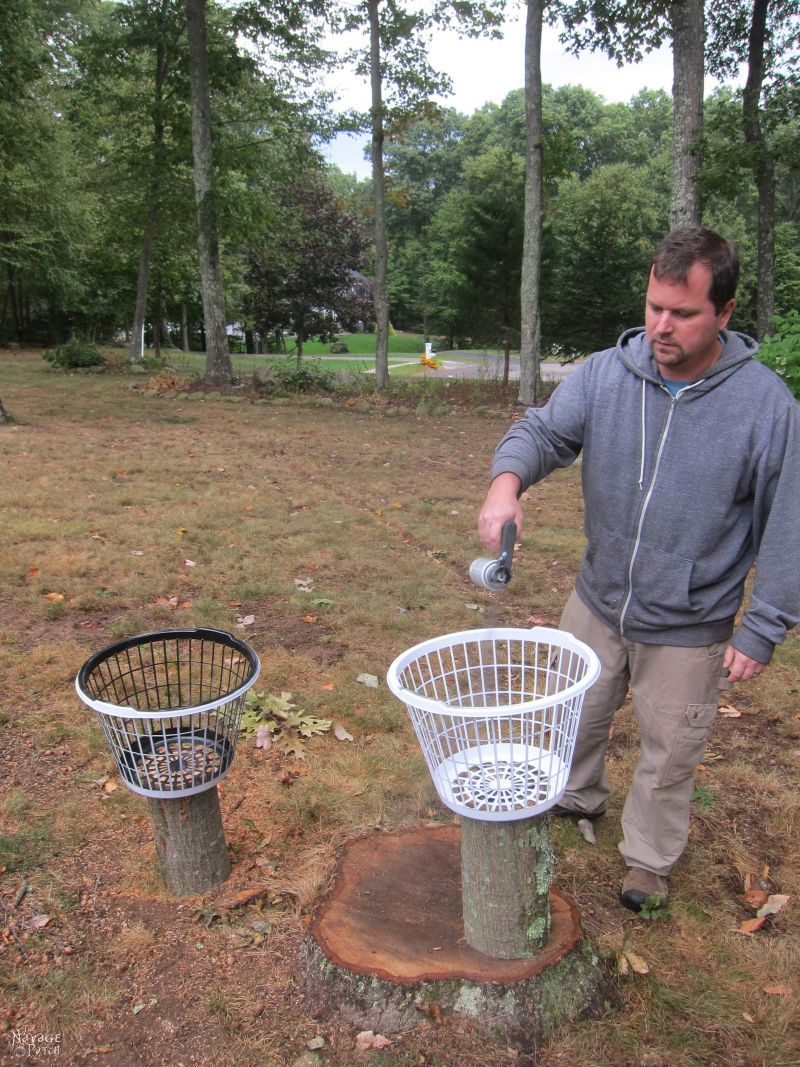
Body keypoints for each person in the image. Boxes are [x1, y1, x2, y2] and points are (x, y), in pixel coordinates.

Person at [478, 226, 800, 913]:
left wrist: (762, 626)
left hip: (690, 622)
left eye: (682, 313)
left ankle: (648, 861)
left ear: (725, 312)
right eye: (655, 305)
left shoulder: (766, 408)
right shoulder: (606, 374)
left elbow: (789, 520)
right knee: (575, 712)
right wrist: (506, 484)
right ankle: (575, 792)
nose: (661, 324)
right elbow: (543, 431)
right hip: (598, 598)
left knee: (669, 749)